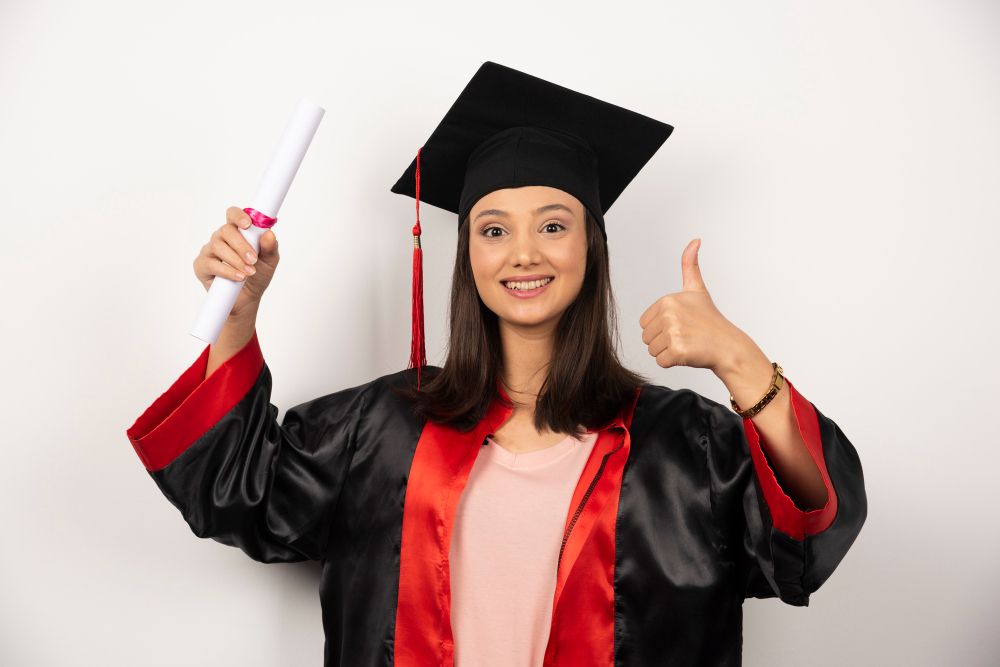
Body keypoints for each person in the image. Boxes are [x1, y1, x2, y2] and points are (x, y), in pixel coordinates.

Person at [125, 62, 867, 666]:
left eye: (553, 224)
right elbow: (234, 493)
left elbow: (805, 538)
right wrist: (242, 310)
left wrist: (738, 359)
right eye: (492, 228)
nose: (523, 252)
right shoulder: (378, 430)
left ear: (590, 247)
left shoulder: (686, 445)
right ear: (468, 254)